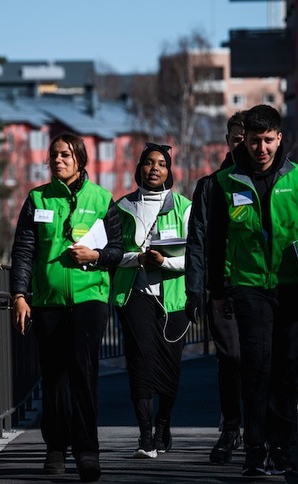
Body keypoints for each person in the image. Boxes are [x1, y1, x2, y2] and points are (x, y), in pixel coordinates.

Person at [205, 105, 298, 477]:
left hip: (293, 286)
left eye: (267, 140)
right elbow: (216, 240)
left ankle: (281, 449)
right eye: (254, 141)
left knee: (285, 369)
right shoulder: (226, 182)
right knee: (256, 368)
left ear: (279, 138)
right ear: (242, 140)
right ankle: (254, 452)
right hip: (249, 288)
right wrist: (218, 290)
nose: (261, 148)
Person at [9, 132, 123, 482]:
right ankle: (55, 448)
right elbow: (24, 252)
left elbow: (117, 251)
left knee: (83, 376)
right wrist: (19, 295)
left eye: (66, 155)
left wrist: (96, 255)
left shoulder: (102, 199)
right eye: (54, 155)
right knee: (54, 377)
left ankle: (88, 452)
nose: (58, 160)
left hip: (90, 300)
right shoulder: (37, 198)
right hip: (48, 302)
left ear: (80, 159)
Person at [111, 143, 192, 459]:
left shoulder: (185, 207)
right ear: (139, 169)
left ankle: (163, 422)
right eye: (148, 163)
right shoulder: (120, 208)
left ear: (169, 170)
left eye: (161, 163)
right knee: (140, 362)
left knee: (170, 367)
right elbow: (112, 254)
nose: (154, 168)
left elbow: (197, 256)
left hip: (175, 299)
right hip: (135, 297)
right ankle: (145, 437)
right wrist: (138, 259)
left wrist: (165, 263)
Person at [185, 110, 246, 465]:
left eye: (248, 140)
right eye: (236, 139)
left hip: (262, 287)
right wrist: (196, 291)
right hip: (222, 290)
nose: (243, 146)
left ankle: (260, 429)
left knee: (260, 360)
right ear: (228, 141)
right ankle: (230, 427)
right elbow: (197, 241)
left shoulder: (272, 182)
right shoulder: (210, 186)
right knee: (229, 358)